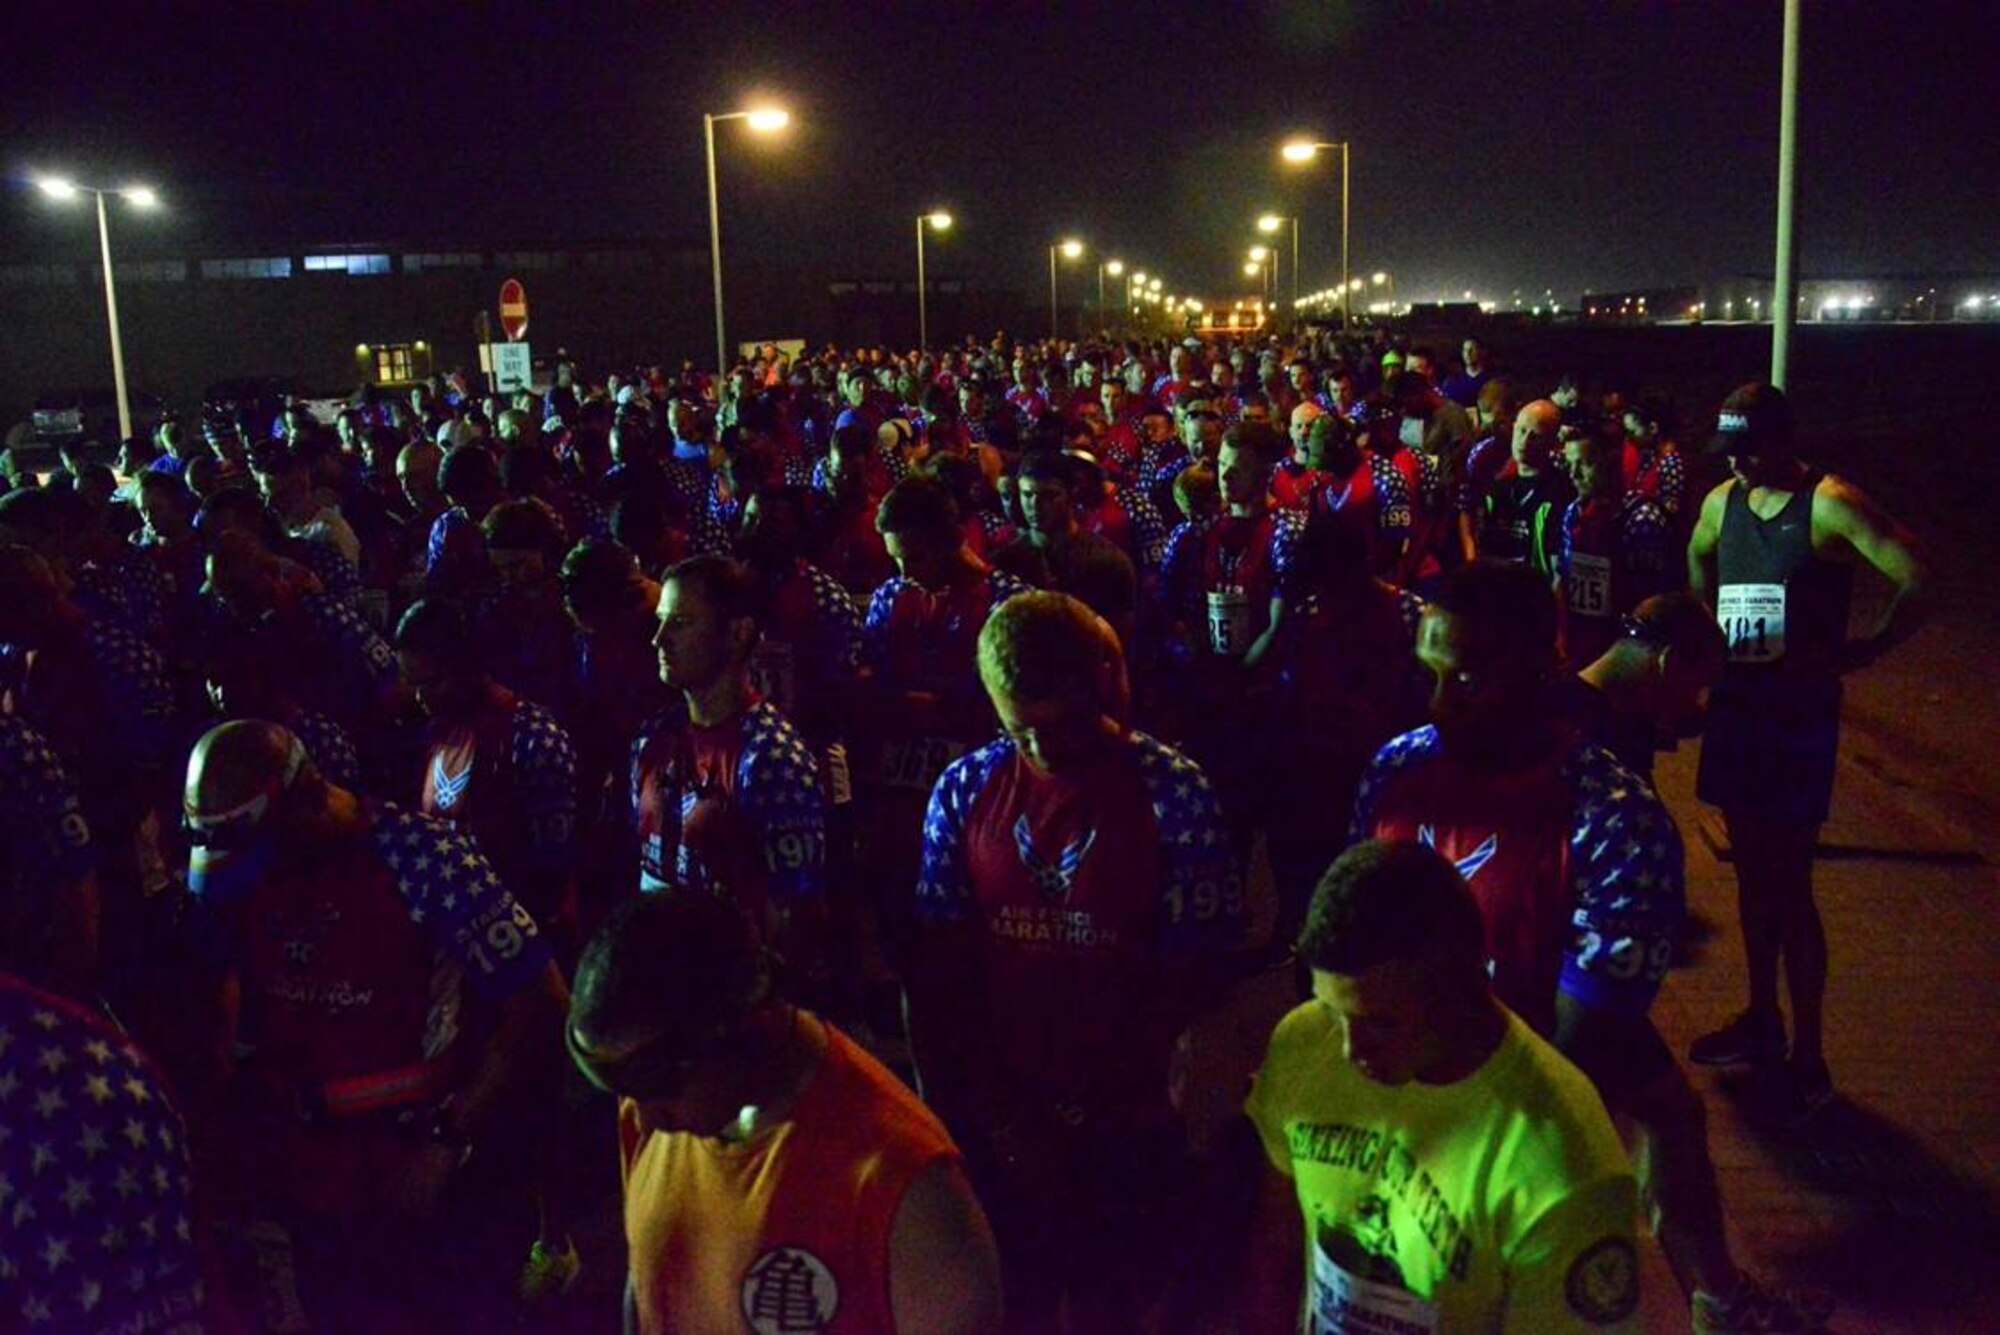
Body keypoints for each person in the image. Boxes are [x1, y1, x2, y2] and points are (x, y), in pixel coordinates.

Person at [1355, 560, 1829, 1332]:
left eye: (1468, 677)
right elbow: (1354, 944)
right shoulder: (1398, 767)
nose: (1441, 702)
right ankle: (1720, 1297)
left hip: (1517, 1105)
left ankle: (1717, 1298)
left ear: (1535, 667)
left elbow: (1586, 1034)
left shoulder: (1614, 816)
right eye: (1429, 673)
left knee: (1664, 1118)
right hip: (1398, 1087)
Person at [909, 590, 1246, 1329]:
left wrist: (1126, 1110)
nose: (1044, 751)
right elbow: (943, 972)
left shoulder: (1173, 792)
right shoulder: (965, 790)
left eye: (1060, 725)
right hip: (1004, 1114)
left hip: (1132, 1116)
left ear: (1098, 685)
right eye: (1020, 731)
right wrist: (992, 1112)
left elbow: (1196, 979)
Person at [181, 720, 569, 1321]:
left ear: (307, 802)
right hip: (309, 1171)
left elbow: (541, 1005)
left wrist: (447, 1143)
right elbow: (221, 991)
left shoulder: (426, 859)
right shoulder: (238, 877)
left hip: (421, 1162)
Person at [1244, 839, 1641, 1334]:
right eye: (1331, 1010)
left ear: (1463, 991)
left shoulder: (1563, 1171)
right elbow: (1275, 1244)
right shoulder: (1304, 1042)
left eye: (1382, 1024)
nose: (1348, 1050)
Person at [569, 891, 1003, 1335]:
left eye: (659, 1088)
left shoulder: (906, 1189)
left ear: (743, 1031)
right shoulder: (658, 1107)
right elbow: (647, 1287)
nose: (645, 1120)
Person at [1687, 383, 1930, 1118]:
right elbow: (1697, 562)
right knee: (1752, 877)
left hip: (1797, 721)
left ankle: (1811, 1054)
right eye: (1728, 452)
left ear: (1778, 442)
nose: (1736, 465)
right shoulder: (1718, 502)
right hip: (1739, 711)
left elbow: (1915, 572)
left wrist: (1867, 649)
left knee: (1791, 884)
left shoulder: (1828, 503)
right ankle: (1763, 1017)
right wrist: (1711, 642)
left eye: (1746, 451)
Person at [632, 555, 829, 973]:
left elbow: (795, 918)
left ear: (737, 634)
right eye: (661, 620)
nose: (659, 639)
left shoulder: (771, 757)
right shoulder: (654, 738)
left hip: (727, 996)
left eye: (681, 623)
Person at [395, 598, 579, 928]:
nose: (421, 697)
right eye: (413, 683)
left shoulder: (532, 737)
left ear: (468, 666)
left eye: (433, 682)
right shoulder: (436, 730)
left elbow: (552, 868)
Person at [1561, 593, 1728, 782]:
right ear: (1669, 661)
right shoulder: (1585, 738)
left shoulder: (1577, 713)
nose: (1697, 704)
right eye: (1697, 687)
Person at [1558, 424, 1672, 669]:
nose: (1574, 474)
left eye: (1584, 464)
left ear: (1610, 464)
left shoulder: (1642, 519)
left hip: (1624, 653)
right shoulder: (1573, 513)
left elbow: (1653, 601)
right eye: (1570, 464)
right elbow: (1565, 580)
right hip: (1580, 648)